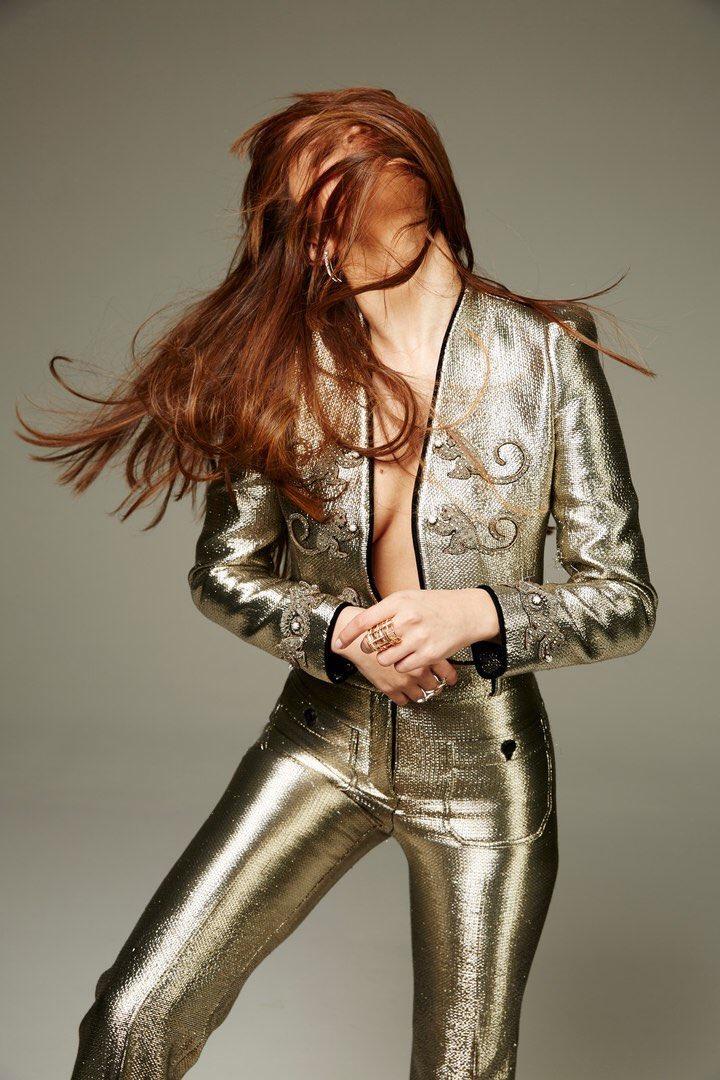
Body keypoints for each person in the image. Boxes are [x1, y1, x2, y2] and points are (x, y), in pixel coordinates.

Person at [17, 86, 658, 1080]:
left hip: (484, 776)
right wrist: (337, 633)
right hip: (319, 742)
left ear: (419, 181)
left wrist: (478, 613)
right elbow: (224, 572)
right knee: (134, 1018)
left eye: (350, 159)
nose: (329, 187)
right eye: (305, 185)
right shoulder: (281, 365)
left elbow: (622, 598)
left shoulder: (544, 352)